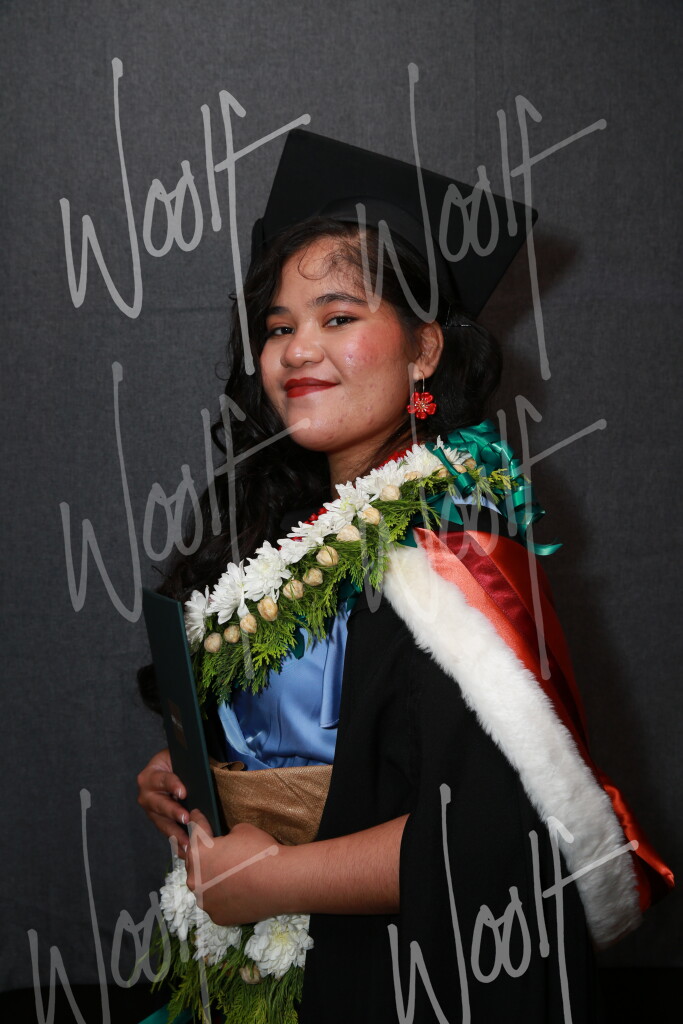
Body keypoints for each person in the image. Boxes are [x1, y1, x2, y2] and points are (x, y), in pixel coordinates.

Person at [137, 131, 672, 1022]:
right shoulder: (292, 529)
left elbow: (494, 835)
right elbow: (323, 744)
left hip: (396, 980)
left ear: (423, 351)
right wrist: (200, 774)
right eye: (278, 327)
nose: (296, 351)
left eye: (338, 318)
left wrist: (277, 878)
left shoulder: (453, 542)